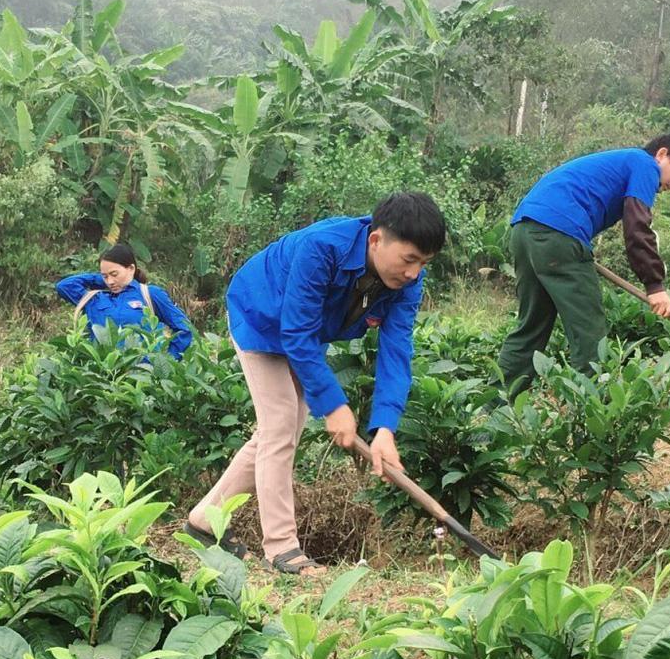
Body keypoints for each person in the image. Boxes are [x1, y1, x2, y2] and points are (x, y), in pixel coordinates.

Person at [187, 192, 446, 577]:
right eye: (409, 260)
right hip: (260, 317)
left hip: (306, 332)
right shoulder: (322, 248)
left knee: (279, 431)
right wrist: (335, 406)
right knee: (279, 425)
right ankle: (281, 549)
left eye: (423, 263)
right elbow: (295, 331)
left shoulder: (408, 282)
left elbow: (397, 351)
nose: (413, 273)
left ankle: (204, 522)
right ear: (376, 240)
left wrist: (385, 429)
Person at [496, 133, 670, 394]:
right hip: (559, 233)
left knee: (531, 327)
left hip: (524, 231)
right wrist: (655, 286)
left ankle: (495, 409)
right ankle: (595, 412)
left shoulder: (621, 162)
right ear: (661, 155)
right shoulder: (644, 163)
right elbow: (637, 227)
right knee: (589, 332)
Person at [54, 244, 195, 360]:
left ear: (131, 269)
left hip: (143, 377)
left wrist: (166, 361)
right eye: (105, 276)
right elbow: (63, 286)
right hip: (101, 376)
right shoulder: (94, 299)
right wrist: (99, 280)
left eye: (114, 274)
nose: (110, 281)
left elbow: (184, 328)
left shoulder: (149, 294)